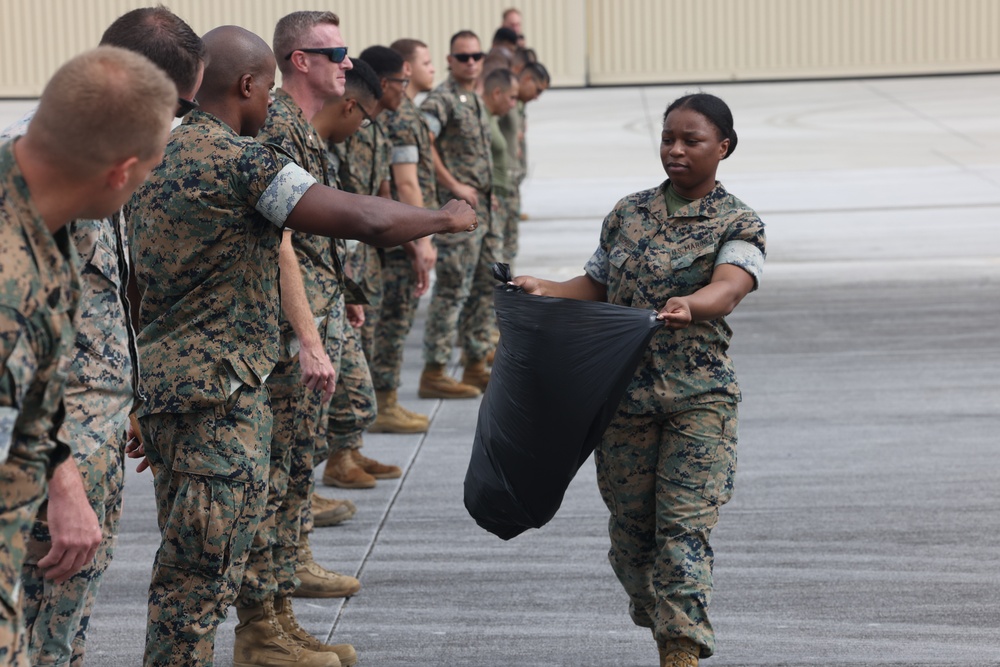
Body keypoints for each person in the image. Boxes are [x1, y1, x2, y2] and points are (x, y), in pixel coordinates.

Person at [128, 25, 474, 667]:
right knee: (199, 581)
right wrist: (444, 219)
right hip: (217, 400)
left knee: (190, 567)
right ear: (249, 85)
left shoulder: (155, 156)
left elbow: (133, 286)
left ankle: (253, 635)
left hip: (174, 389)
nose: (271, 105)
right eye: (267, 92)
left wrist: (141, 393)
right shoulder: (241, 161)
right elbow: (362, 219)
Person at [512, 93, 766, 667]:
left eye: (691, 141)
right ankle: (664, 618)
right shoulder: (628, 212)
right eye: (668, 138)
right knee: (632, 538)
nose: (675, 151)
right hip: (623, 399)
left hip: (698, 400)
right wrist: (545, 289)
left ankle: (681, 650)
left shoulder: (739, 221)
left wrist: (694, 305)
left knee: (682, 530)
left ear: (723, 147)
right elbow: (596, 283)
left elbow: (730, 286)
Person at [0, 9, 206, 666]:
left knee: (55, 629)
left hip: (80, 431)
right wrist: (64, 484)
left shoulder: (52, 183)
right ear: (122, 169)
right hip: (54, 462)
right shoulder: (23, 250)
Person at [249, 10, 359, 666]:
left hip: (313, 318)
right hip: (291, 332)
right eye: (334, 52)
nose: (346, 62)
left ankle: (291, 578)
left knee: (297, 465)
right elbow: (282, 242)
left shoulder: (306, 129)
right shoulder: (278, 128)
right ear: (298, 60)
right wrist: (308, 332)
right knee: (281, 470)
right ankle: (268, 623)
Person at [321, 50, 408, 489]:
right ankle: (337, 459)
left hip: (352, 259)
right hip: (340, 254)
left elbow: (379, 188)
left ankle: (349, 451)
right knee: (342, 379)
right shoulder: (321, 135)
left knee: (360, 359)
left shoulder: (368, 128)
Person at [418, 30, 498, 398]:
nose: (470, 62)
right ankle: (434, 371)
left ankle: (475, 362)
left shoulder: (474, 99)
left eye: (475, 56)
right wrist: (454, 184)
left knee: (484, 286)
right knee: (452, 288)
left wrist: (486, 190)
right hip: (457, 215)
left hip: (481, 211)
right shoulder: (443, 100)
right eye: (462, 57)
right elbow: (424, 141)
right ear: (449, 60)